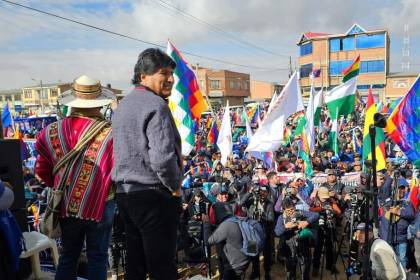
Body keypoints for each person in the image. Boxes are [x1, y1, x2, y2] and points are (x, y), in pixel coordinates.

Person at [35, 75, 116, 280]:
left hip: (66, 204)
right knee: (97, 257)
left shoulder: (50, 131)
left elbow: (42, 171)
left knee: (68, 256)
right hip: (100, 205)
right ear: (99, 103)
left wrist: (63, 186)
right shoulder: (110, 133)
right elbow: (117, 173)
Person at [112, 48, 182, 280]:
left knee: (136, 264)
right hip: (153, 196)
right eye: (164, 73)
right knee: (162, 266)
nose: (170, 79)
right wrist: (174, 187)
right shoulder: (155, 105)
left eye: (172, 73)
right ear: (143, 76)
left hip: (126, 194)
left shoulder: (123, 105)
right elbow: (162, 159)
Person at [275, 197, 319, 280]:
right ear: (283, 210)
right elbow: (277, 232)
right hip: (289, 246)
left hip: (303, 244)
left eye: (292, 209)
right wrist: (285, 226)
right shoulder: (281, 218)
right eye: (288, 211)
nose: (291, 212)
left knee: (305, 268)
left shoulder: (300, 212)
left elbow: (316, 215)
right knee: (290, 271)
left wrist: (306, 222)